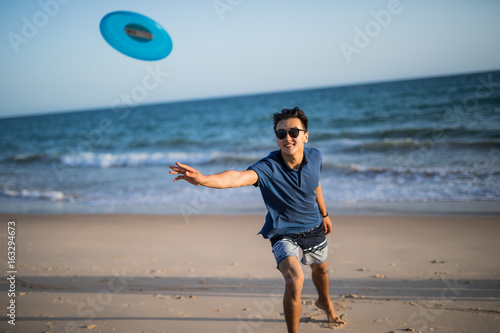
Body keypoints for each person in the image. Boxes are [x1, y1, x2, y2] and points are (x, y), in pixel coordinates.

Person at [169, 107, 344, 332]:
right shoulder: (268, 168)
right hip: (282, 232)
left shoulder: (315, 156)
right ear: (277, 138)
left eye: (293, 132)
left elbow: (315, 184)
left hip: (313, 225)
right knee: (295, 279)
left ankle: (325, 303)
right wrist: (204, 180)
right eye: (281, 134)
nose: (287, 138)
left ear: (305, 136)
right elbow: (236, 177)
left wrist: (325, 213)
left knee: (321, 270)